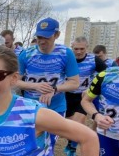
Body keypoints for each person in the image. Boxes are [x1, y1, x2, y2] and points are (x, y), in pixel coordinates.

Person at [15, 18, 80, 146]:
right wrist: (35, 86)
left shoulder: (66, 53)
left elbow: (74, 82)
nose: (42, 41)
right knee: (29, 144)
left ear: (57, 35)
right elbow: (13, 81)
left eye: (46, 37)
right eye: (39, 37)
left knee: (49, 145)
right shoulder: (26, 54)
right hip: (31, 107)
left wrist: (54, 89)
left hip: (56, 107)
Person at [63, 37, 107, 156]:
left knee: (78, 122)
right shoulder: (66, 58)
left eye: (82, 49)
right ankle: (70, 142)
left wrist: (92, 88)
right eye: (76, 49)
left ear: (87, 47)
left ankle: (72, 150)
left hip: (83, 97)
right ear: (72, 47)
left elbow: (106, 74)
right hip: (66, 95)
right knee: (69, 125)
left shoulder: (93, 59)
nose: (78, 51)